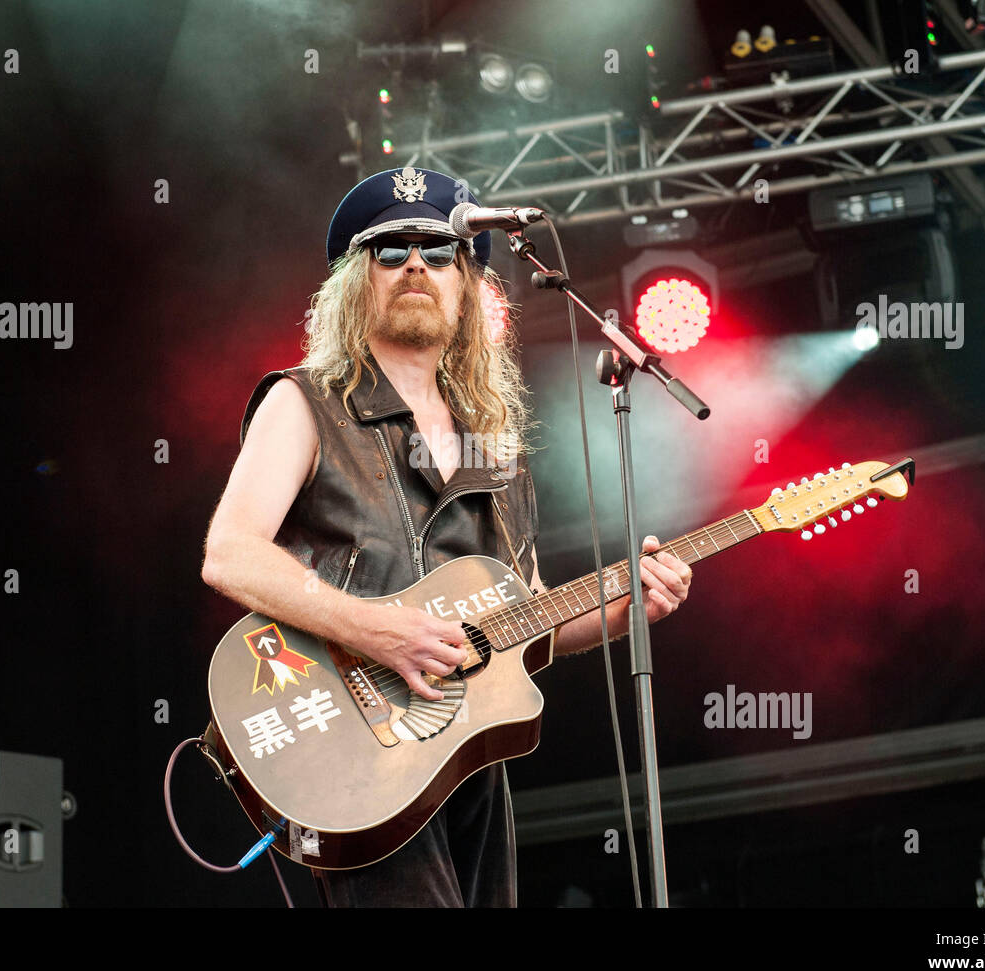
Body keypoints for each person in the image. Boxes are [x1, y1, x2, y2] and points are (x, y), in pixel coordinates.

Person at [200, 166, 692, 907]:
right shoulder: (302, 402)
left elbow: (525, 622)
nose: (416, 266)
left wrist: (626, 611)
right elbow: (230, 554)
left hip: (464, 752)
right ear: (353, 284)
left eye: (436, 251)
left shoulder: (492, 448)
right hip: (357, 742)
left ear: (466, 285)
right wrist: (377, 630)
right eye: (389, 251)